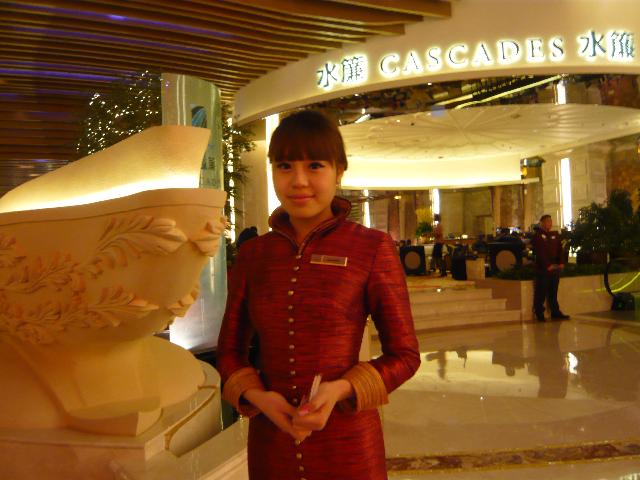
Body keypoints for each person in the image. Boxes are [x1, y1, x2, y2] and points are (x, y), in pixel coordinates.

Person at [217, 110, 420, 480]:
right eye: (284, 166)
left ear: (339, 170)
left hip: (348, 444)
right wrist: (260, 397)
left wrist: (341, 388)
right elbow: (229, 351)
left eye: (314, 165)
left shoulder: (371, 247)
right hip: (271, 443)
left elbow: (405, 355)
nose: (298, 181)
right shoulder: (254, 255)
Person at [531, 215, 570, 322]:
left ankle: (555, 312)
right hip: (543, 269)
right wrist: (547, 265)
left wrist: (561, 262)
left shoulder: (554, 235)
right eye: (547, 221)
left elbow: (560, 250)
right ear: (542, 223)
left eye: (550, 221)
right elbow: (540, 253)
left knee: (553, 291)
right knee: (541, 291)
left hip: (554, 268)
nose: (550, 223)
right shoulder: (537, 236)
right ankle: (539, 312)